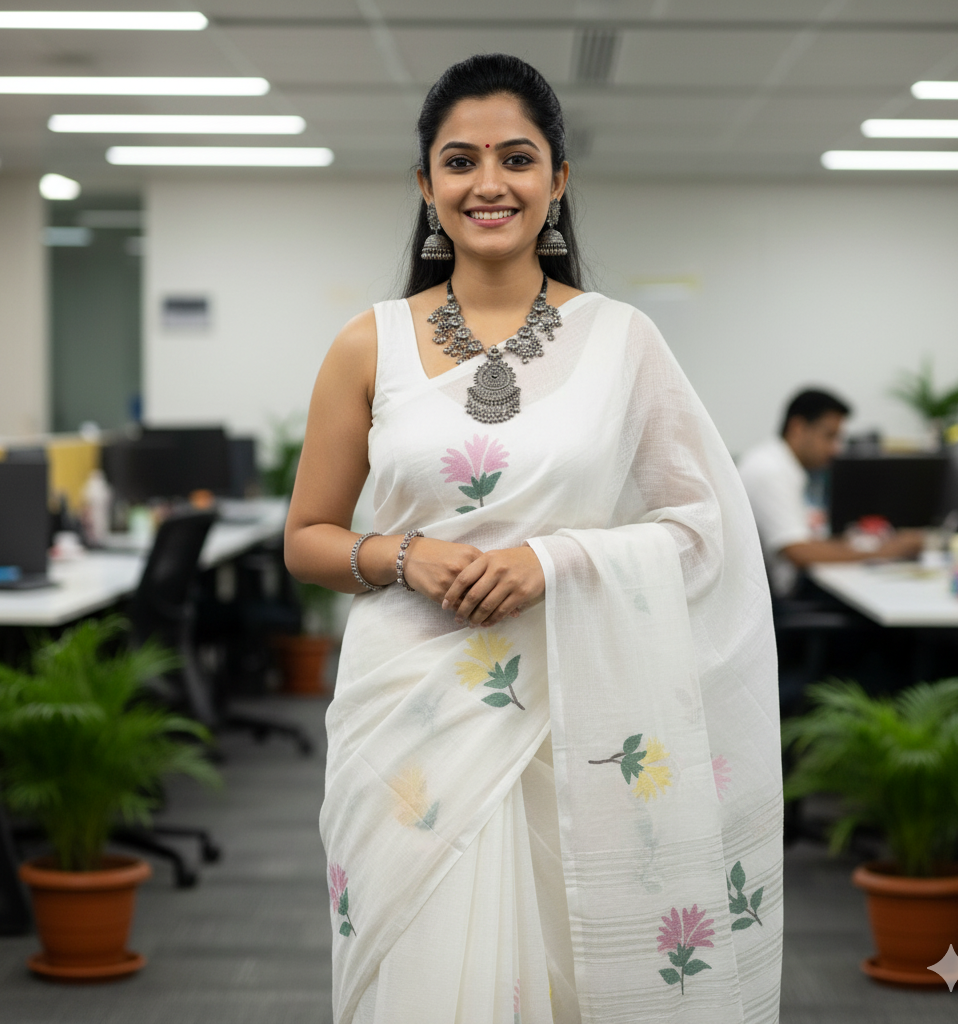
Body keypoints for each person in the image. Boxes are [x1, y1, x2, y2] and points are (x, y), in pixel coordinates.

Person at [285, 54, 782, 1024]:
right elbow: (307, 536)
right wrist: (405, 554)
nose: (488, 183)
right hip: (413, 725)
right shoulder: (367, 343)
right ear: (426, 186)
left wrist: (551, 560)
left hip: (577, 717)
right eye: (459, 161)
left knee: (574, 969)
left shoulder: (623, 340)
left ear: (557, 179)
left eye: (516, 158)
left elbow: (700, 529)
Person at [739, 389, 923, 599]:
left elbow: (807, 536)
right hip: (792, 600)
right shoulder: (770, 470)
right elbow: (799, 551)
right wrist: (886, 551)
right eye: (829, 436)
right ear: (798, 427)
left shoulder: (784, 465)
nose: (835, 449)